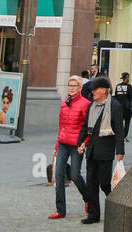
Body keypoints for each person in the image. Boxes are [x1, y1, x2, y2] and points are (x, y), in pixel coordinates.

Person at [76, 77, 125, 224]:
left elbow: (119, 131)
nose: (92, 92)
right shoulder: (92, 106)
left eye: (95, 89)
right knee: (91, 184)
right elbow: (85, 127)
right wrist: (80, 142)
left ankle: (117, 208)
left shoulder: (114, 106)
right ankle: (93, 214)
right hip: (91, 150)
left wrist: (120, 151)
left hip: (105, 152)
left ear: (103, 90)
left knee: (104, 183)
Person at [49, 75, 89, 220]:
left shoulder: (85, 104)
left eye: (74, 85)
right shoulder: (64, 103)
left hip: (76, 145)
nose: (71, 88)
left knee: (75, 174)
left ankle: (88, 198)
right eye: (69, 85)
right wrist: (56, 146)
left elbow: (87, 127)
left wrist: (84, 142)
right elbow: (61, 126)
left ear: (80, 88)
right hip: (63, 143)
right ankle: (60, 210)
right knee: (58, 175)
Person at [114, 71, 132, 138]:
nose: (129, 79)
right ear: (126, 78)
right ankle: (124, 136)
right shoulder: (129, 86)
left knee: (119, 122)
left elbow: (116, 96)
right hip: (127, 108)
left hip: (119, 107)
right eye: (128, 77)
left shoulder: (118, 86)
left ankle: (119, 134)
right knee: (127, 123)